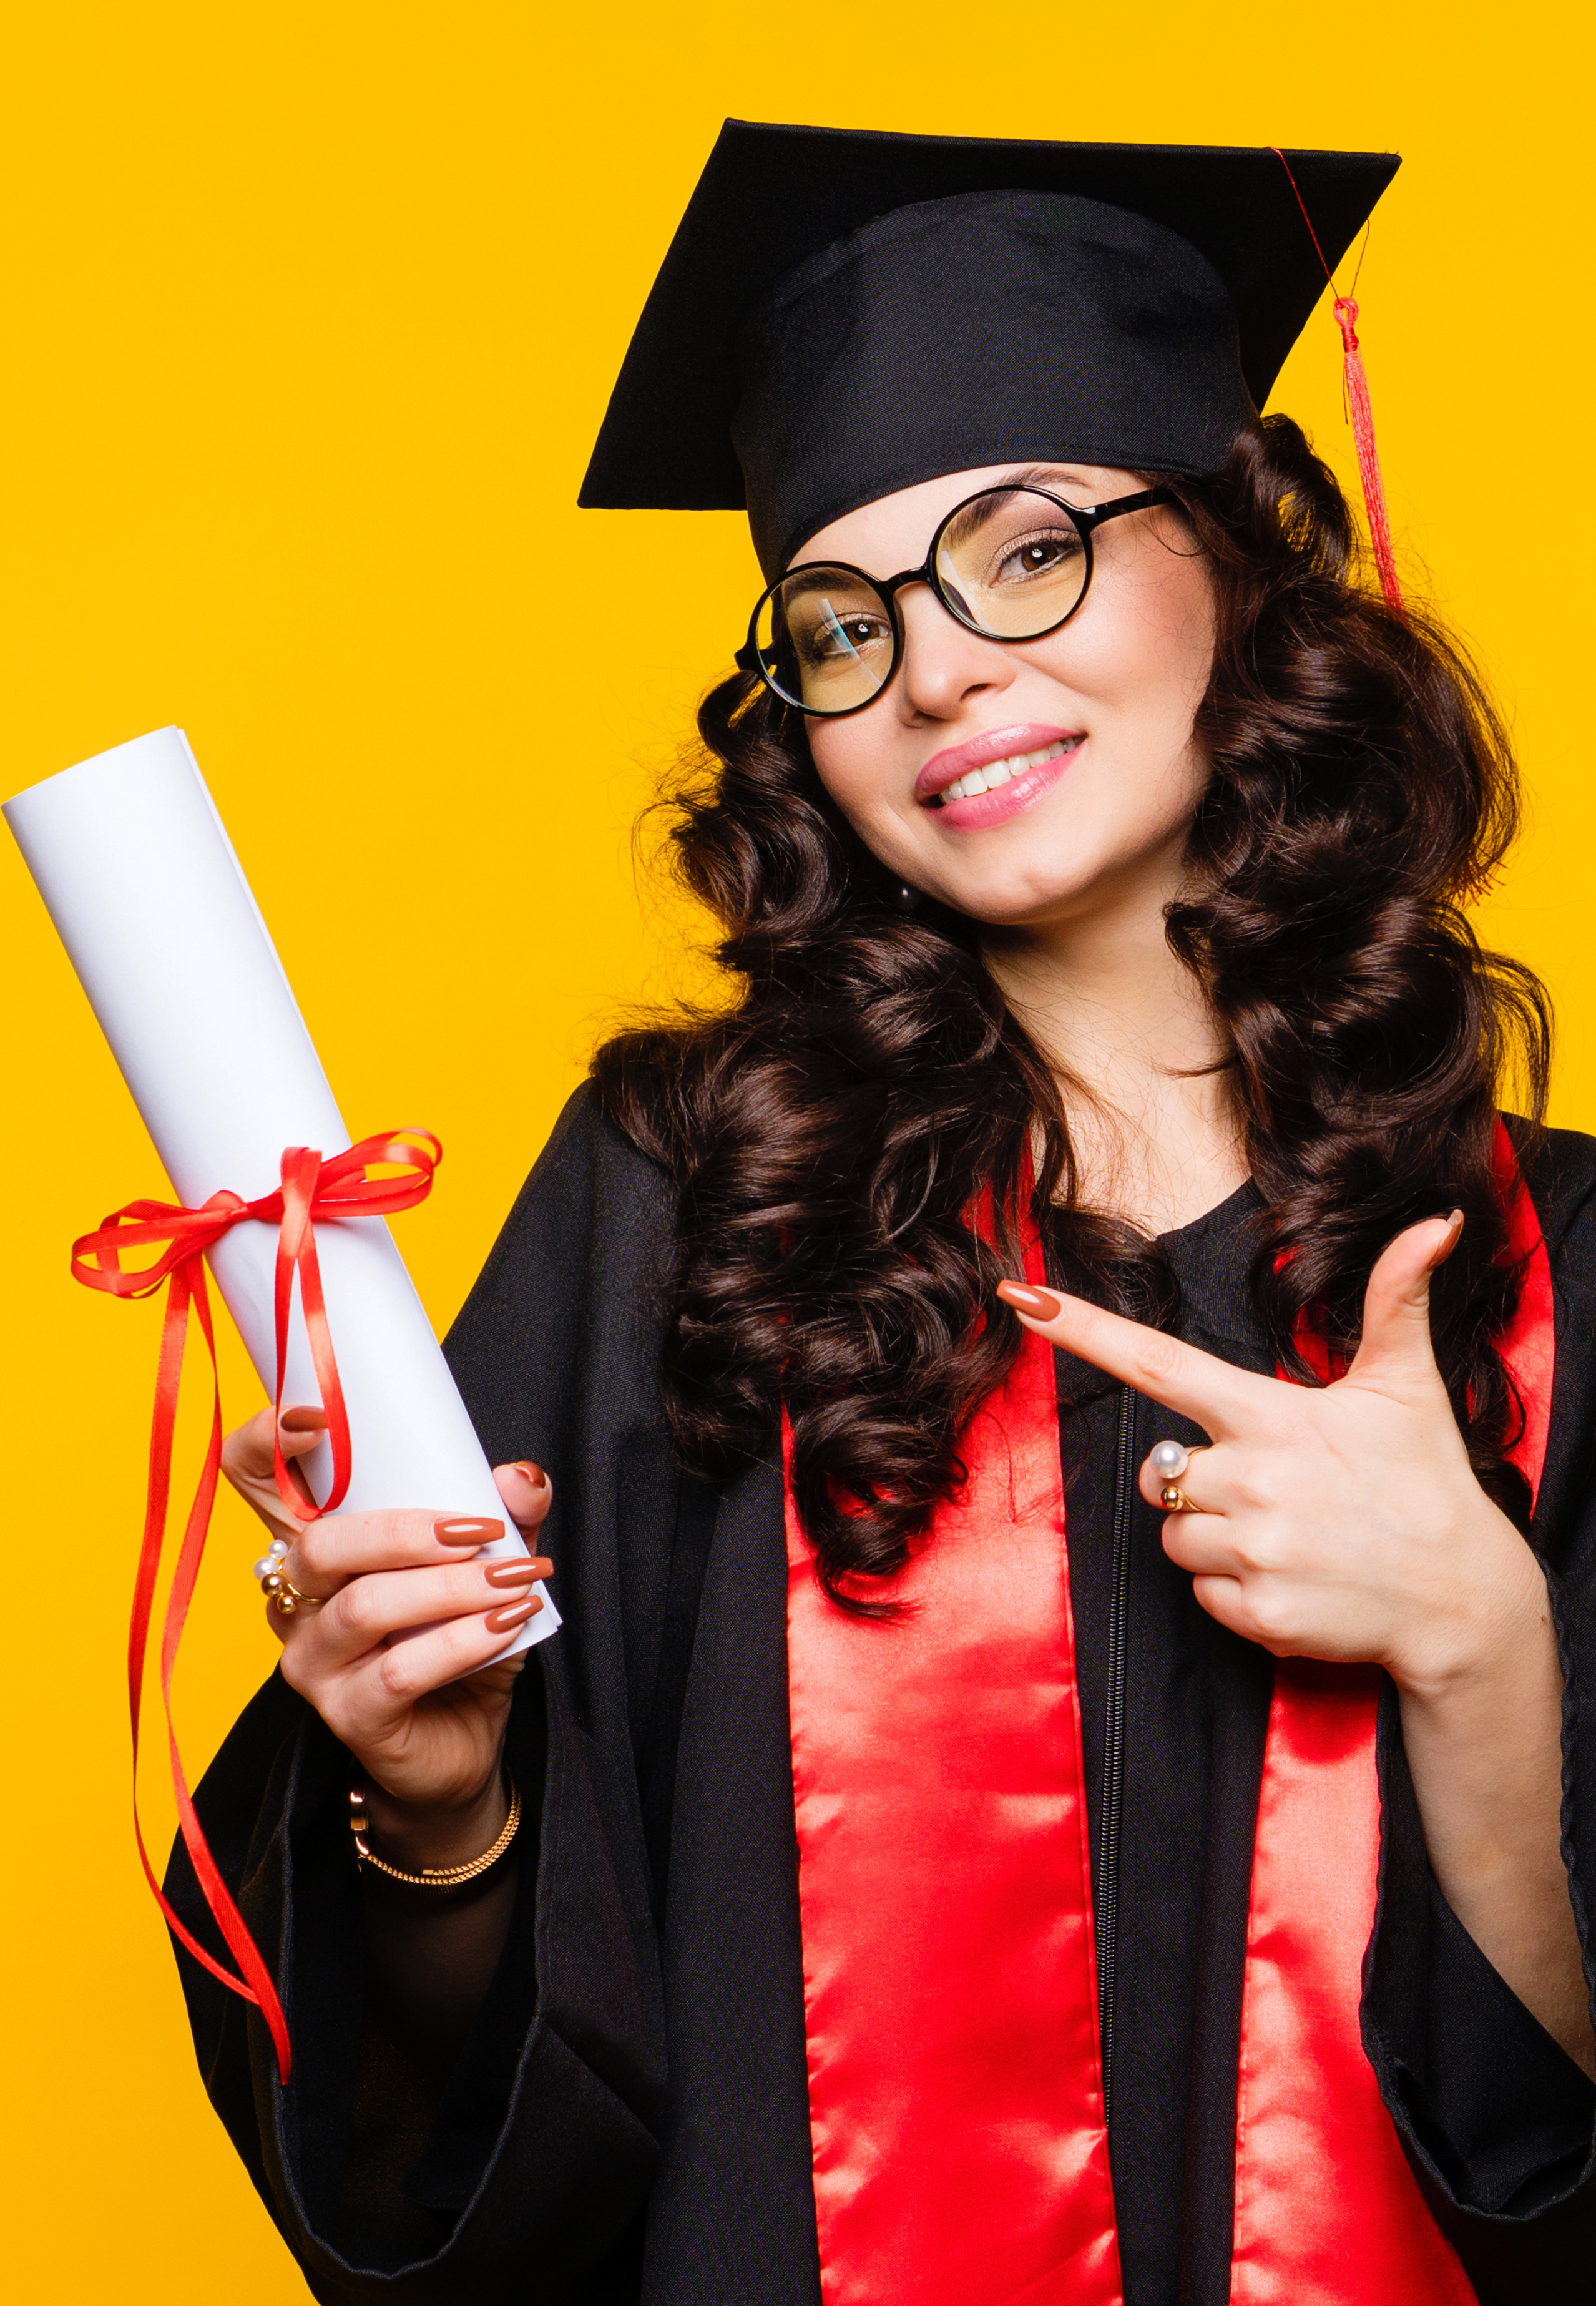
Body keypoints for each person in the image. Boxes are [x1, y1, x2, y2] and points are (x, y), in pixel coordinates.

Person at [171, 123, 1595, 2304]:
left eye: (1026, 553)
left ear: (1237, 562)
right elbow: (482, 2136)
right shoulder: (682, 1213)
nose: (935, 671)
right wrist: (442, 1808)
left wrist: (1478, 1655)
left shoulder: (1552, 1276)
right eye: (842, 622)